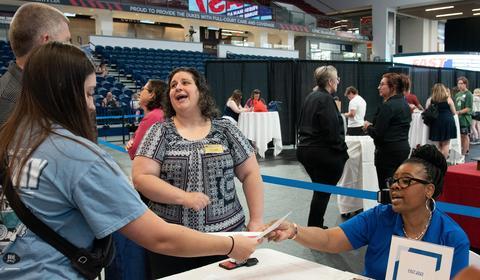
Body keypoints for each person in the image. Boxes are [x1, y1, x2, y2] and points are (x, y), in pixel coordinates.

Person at [0, 42, 258, 279]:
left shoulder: (13, 138)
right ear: (63, 93)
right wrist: (232, 243)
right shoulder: (80, 157)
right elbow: (159, 236)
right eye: (89, 94)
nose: (92, 106)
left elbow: (250, 172)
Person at [131, 67, 264, 278]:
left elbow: (250, 174)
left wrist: (256, 219)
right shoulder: (160, 131)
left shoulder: (225, 129)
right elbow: (141, 178)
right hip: (174, 243)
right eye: (173, 85)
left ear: (200, 91)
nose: (178, 88)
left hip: (228, 240)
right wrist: (183, 197)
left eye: (185, 82)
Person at [267, 144, 470, 280]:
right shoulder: (379, 216)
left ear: (429, 190)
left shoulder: (451, 238)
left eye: (406, 181)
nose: (396, 186)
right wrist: (294, 230)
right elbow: (330, 239)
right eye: (394, 180)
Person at [0, 2, 71, 127]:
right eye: (66, 41)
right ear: (46, 42)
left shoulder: (34, 89)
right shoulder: (11, 101)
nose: (70, 49)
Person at [297, 65, 348, 228]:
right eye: (337, 79)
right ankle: (315, 227)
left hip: (306, 150)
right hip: (320, 152)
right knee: (322, 191)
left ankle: (315, 225)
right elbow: (332, 130)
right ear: (331, 82)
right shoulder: (326, 100)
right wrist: (342, 150)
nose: (338, 81)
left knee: (320, 191)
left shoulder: (311, 97)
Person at [364, 73, 411, 191]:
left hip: (387, 154)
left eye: (382, 84)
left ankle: (389, 209)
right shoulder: (404, 104)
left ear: (393, 87)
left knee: (387, 189)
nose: (378, 87)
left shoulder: (388, 106)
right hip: (402, 150)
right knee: (399, 186)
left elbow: (378, 133)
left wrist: (367, 127)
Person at [126, 80, 165, 160]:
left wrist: (131, 146)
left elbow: (134, 151)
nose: (139, 93)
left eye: (143, 89)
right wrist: (133, 139)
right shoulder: (160, 113)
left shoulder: (153, 116)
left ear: (152, 94)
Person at [426, 83, 457, 158]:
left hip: (436, 122)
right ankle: (443, 162)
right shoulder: (448, 99)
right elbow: (454, 112)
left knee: (439, 144)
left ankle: (439, 162)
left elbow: (427, 111)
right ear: (444, 90)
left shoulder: (430, 100)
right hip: (447, 121)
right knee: (446, 144)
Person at [454, 76, 473, 155]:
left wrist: (459, 112)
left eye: (461, 83)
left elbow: (468, 108)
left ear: (465, 84)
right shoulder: (457, 94)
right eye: (458, 83)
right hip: (458, 118)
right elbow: (455, 106)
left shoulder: (468, 94)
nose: (459, 85)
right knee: (460, 136)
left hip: (465, 119)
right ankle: (463, 150)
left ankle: (464, 152)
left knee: (464, 135)